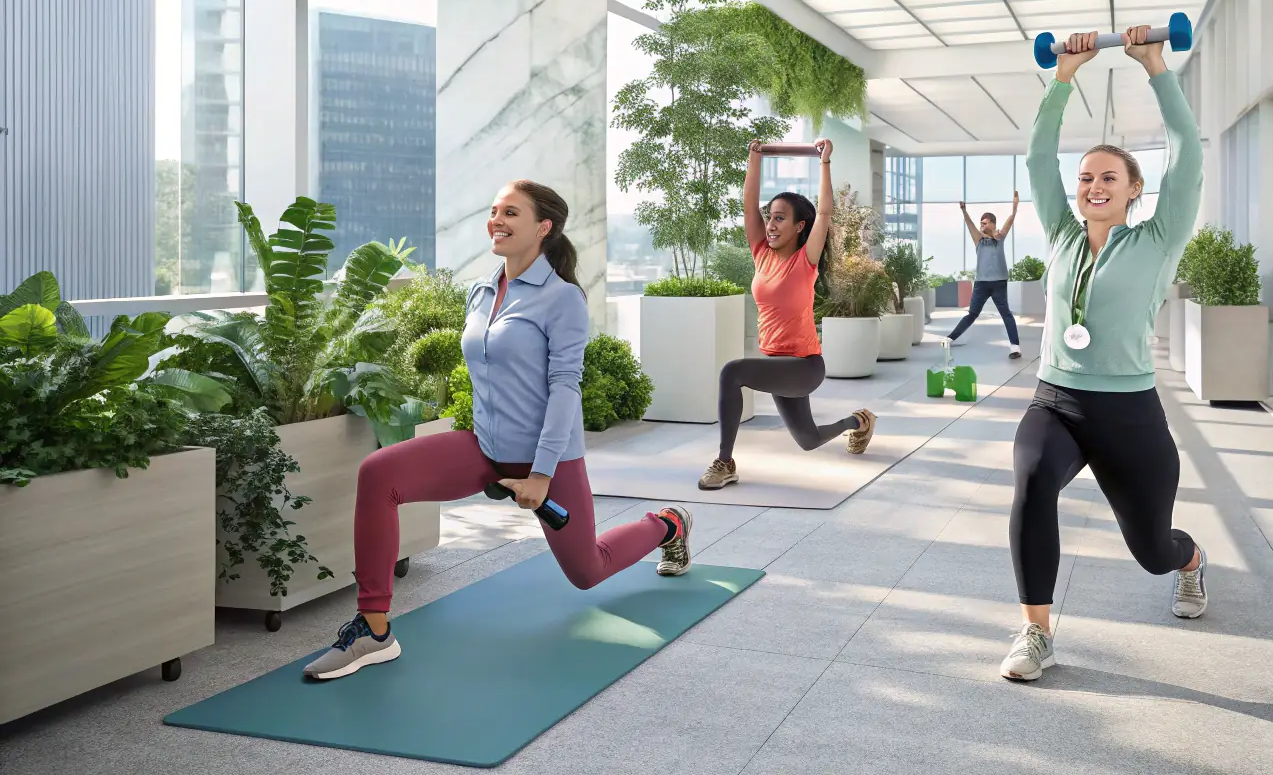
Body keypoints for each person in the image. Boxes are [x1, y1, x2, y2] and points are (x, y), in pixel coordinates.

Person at [306, 181, 694, 680]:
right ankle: (374, 629)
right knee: (380, 474)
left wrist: (541, 475)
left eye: (511, 212)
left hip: (546, 459)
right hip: (485, 448)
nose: (496, 220)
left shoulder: (563, 299)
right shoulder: (482, 290)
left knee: (587, 571)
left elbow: (564, 389)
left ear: (543, 227)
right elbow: (488, 375)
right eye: (493, 211)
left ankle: (668, 523)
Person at [1000, 28, 1207, 683]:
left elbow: (1189, 155)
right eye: (1085, 177)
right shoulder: (1061, 234)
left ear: (1132, 188)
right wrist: (1062, 78)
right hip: (1055, 401)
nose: (1092, 185)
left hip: (1128, 413)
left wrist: (1155, 68)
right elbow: (1036, 160)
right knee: (1031, 484)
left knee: (1151, 550)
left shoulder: (1158, 237)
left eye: (1107, 177)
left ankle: (1191, 561)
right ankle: (1036, 633)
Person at [698, 138, 877, 491]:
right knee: (808, 439)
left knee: (732, 372)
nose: (771, 224)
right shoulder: (761, 253)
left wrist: (824, 162)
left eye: (780, 218)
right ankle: (858, 422)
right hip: (778, 362)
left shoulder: (805, 260)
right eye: (770, 217)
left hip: (805, 366)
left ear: (799, 226)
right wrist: (754, 158)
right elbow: (749, 204)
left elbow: (824, 213)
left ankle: (725, 461)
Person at [948, 194, 1023, 359]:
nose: (982, 224)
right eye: (981, 222)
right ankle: (949, 339)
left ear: (993, 224)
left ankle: (1015, 347)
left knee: (1006, 314)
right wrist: (964, 211)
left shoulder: (1000, 238)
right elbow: (969, 225)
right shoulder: (978, 240)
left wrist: (1015, 205)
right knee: (972, 314)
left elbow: (1011, 219)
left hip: (999, 284)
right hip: (981, 284)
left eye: (985, 222)